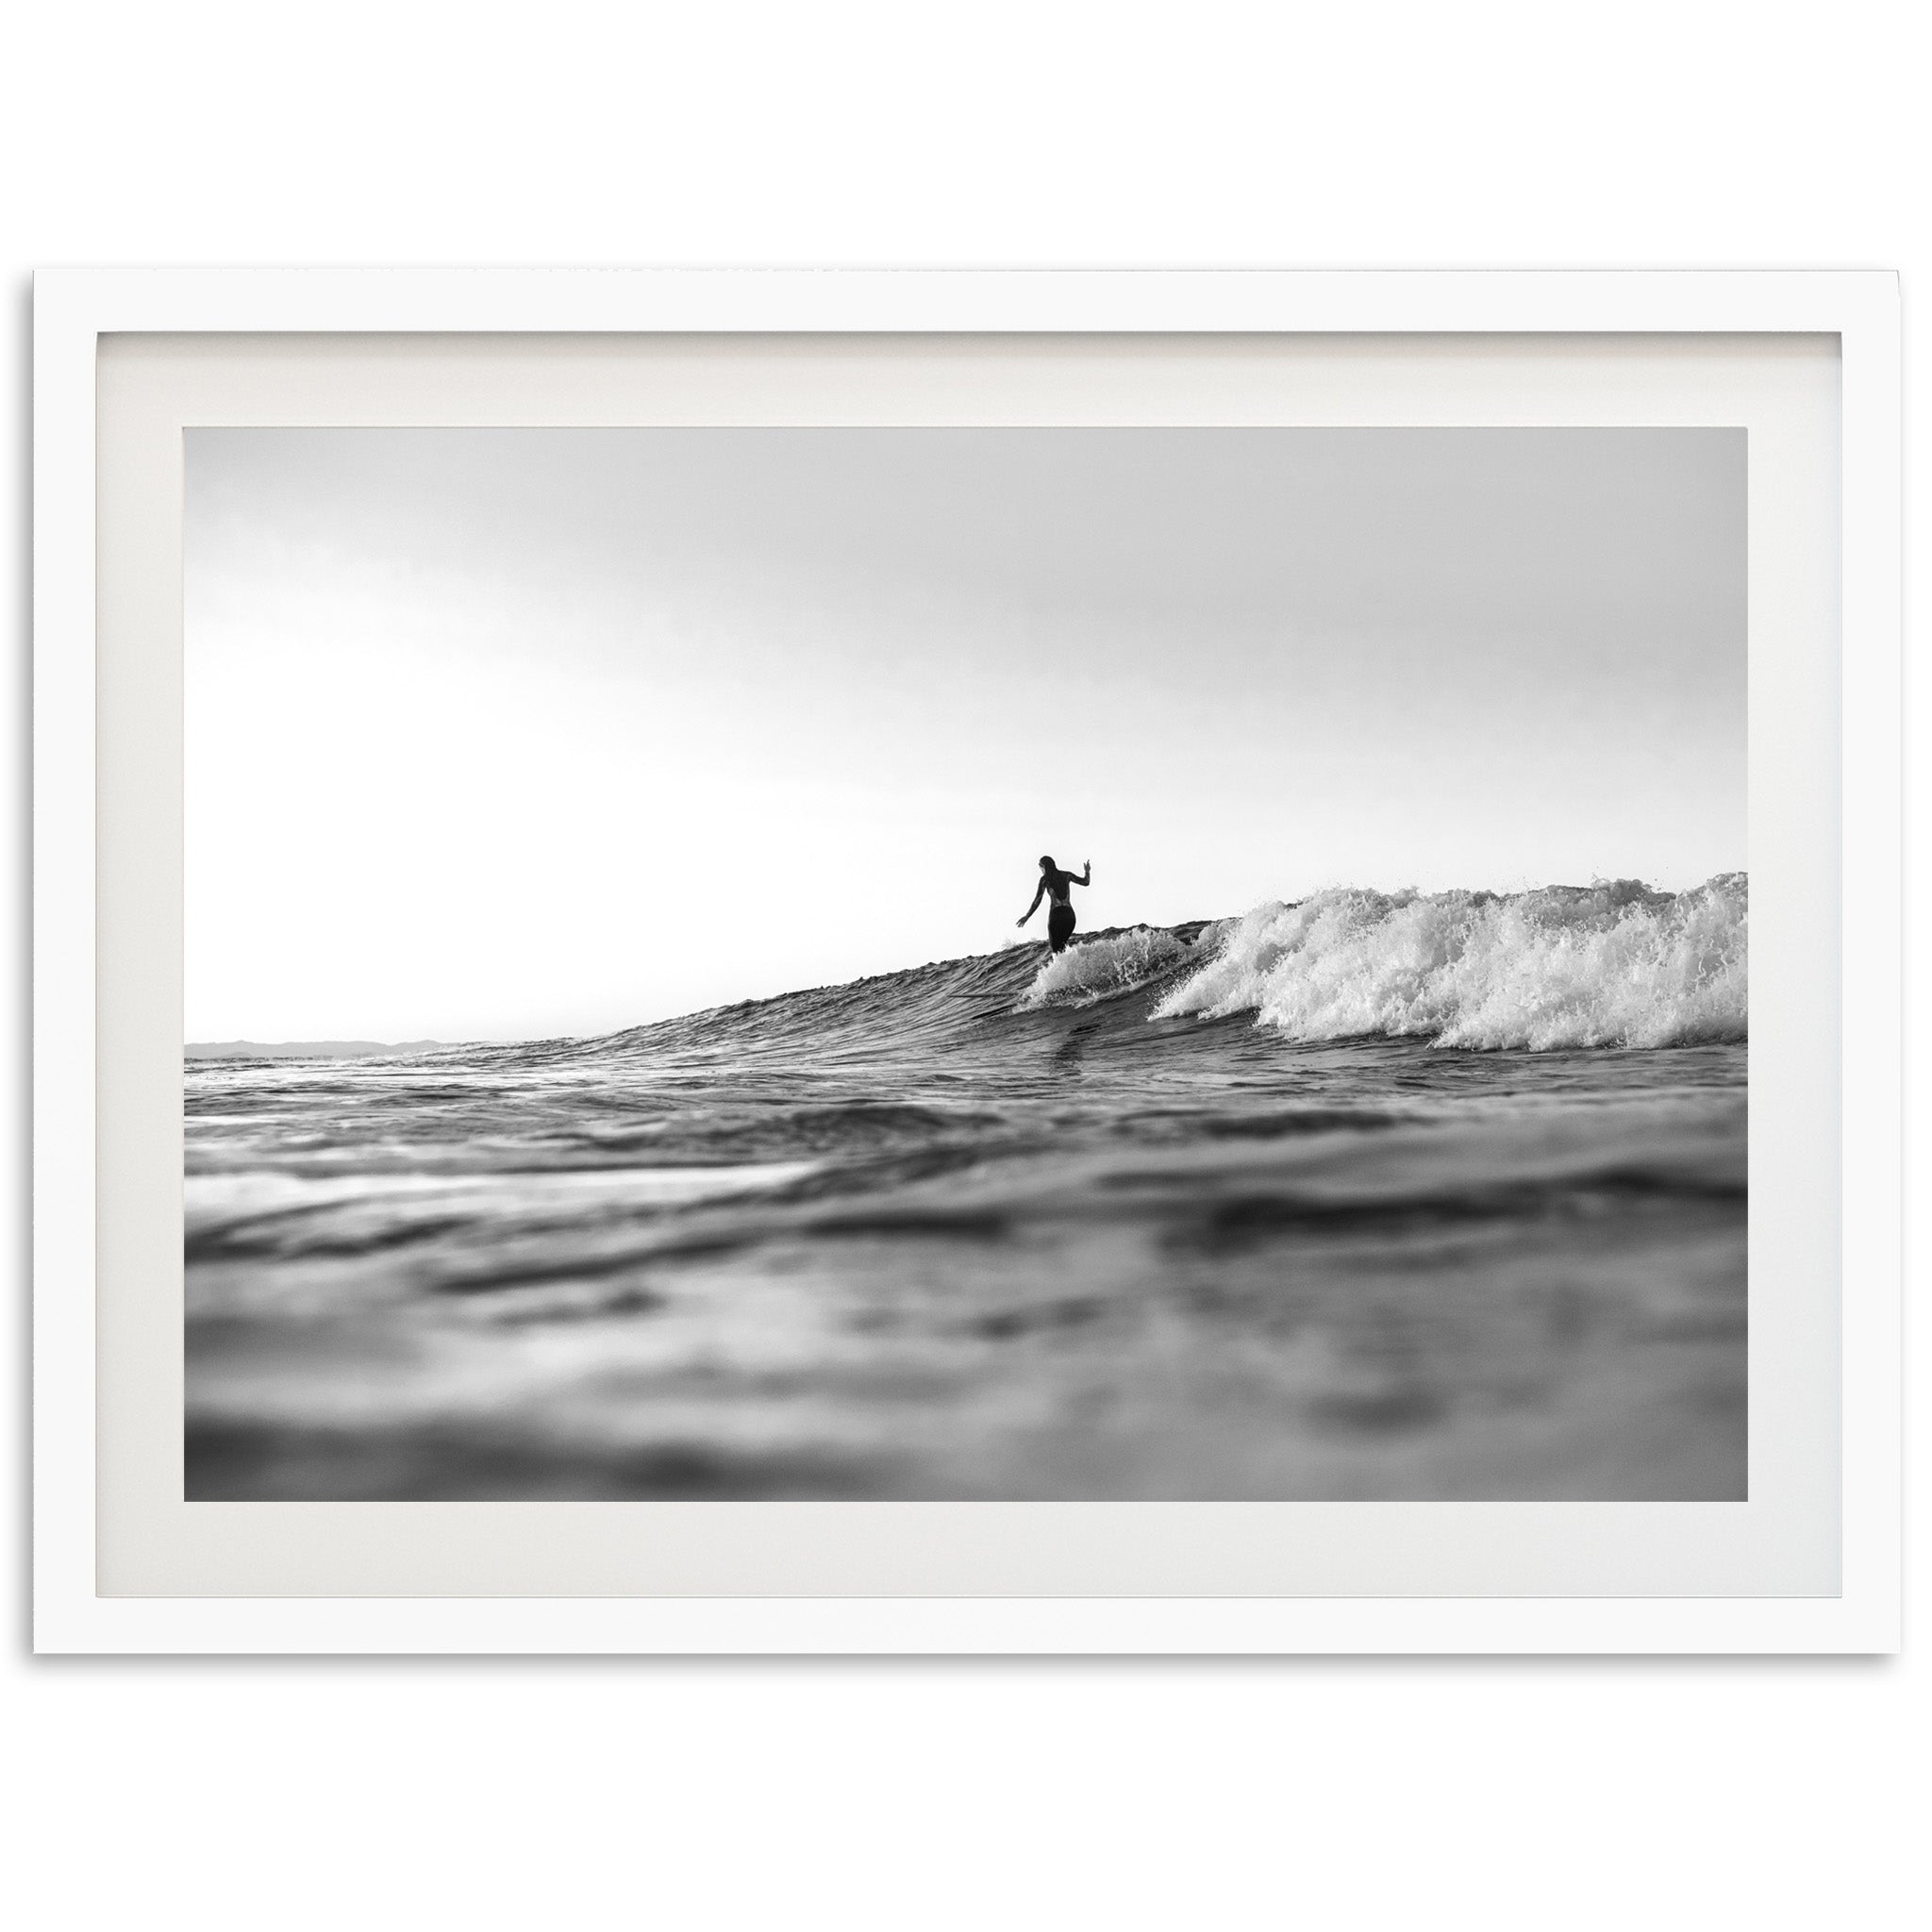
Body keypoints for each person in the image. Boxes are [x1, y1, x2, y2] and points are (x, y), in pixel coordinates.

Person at [1017, 855, 1091, 954]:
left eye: (1040, 867)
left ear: (1044, 867)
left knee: (1055, 951)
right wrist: (1087, 871)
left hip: (1056, 916)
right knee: (1062, 946)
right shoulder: (1067, 875)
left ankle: (1062, 968)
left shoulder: (1045, 879)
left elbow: (1037, 900)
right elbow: (1085, 882)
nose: (1041, 870)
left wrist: (1027, 916)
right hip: (1070, 916)